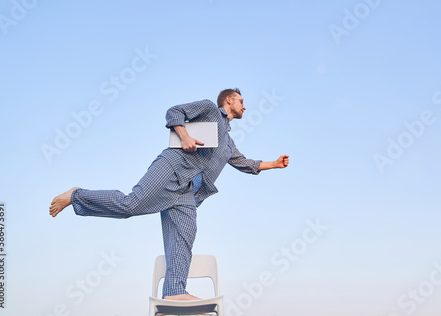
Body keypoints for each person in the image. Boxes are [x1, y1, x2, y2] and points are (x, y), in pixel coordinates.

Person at [49, 88, 289, 300]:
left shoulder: (229, 143)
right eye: (241, 100)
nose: (244, 105)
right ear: (228, 100)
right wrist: (184, 135)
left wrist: (275, 164)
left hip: (188, 193)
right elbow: (174, 111)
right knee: (130, 205)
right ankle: (76, 195)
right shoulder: (208, 109)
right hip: (172, 168)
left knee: (185, 235)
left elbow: (245, 163)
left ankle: (174, 291)